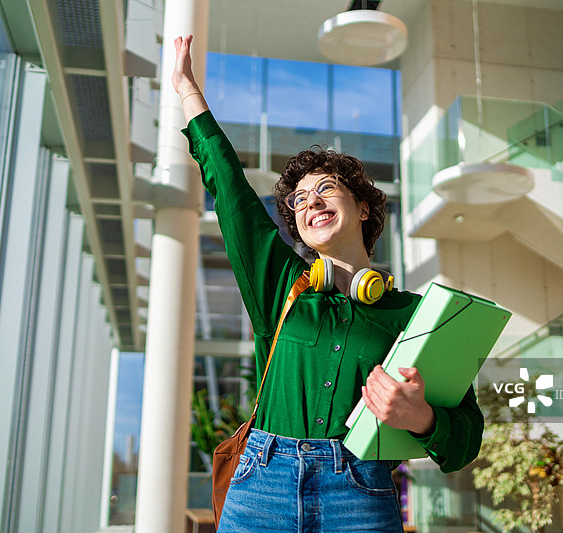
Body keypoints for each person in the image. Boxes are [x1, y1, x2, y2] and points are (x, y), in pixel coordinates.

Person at [172, 35, 483, 532]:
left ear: (362, 207)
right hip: (261, 488)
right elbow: (230, 190)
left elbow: (466, 437)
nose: (310, 201)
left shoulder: (413, 314)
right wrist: (189, 93)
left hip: (360, 493)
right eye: (299, 200)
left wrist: (421, 418)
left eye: (325, 190)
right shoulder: (278, 285)